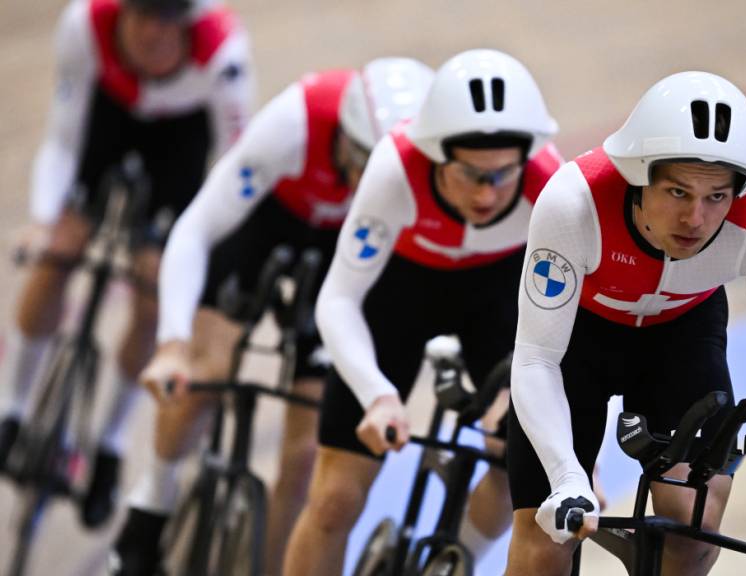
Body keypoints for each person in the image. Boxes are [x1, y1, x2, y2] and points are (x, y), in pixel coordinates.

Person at [106, 57, 434, 576]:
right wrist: (172, 343)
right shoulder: (293, 124)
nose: (367, 184)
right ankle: (152, 505)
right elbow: (194, 231)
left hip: (344, 252)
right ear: (343, 139)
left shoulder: (425, 170)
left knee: (306, 456)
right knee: (204, 374)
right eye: (361, 165)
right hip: (263, 224)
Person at [505, 71, 746, 576]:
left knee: (692, 536)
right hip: (579, 338)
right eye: (678, 192)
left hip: (681, 332)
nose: (695, 219)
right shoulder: (575, 200)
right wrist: (569, 477)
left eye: (716, 197)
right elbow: (536, 357)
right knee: (546, 542)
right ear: (639, 177)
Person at [283, 48, 562, 576]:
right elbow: (338, 298)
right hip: (399, 291)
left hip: (496, 295)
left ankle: (447, 564)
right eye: (470, 174)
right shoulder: (395, 166)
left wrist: (575, 451)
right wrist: (378, 396)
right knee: (336, 498)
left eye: (503, 175)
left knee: (517, 464)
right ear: (435, 156)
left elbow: (575, 320)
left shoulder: (552, 182)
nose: (488, 192)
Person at [0, 0, 252, 528]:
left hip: (180, 144)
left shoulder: (223, 53)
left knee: (153, 292)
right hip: (108, 120)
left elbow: (233, 165)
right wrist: (47, 221)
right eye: (145, 16)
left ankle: (110, 446)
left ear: (188, 22)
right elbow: (64, 137)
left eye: (170, 20)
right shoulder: (84, 25)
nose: (156, 32)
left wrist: (197, 251)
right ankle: (13, 410)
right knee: (59, 252)